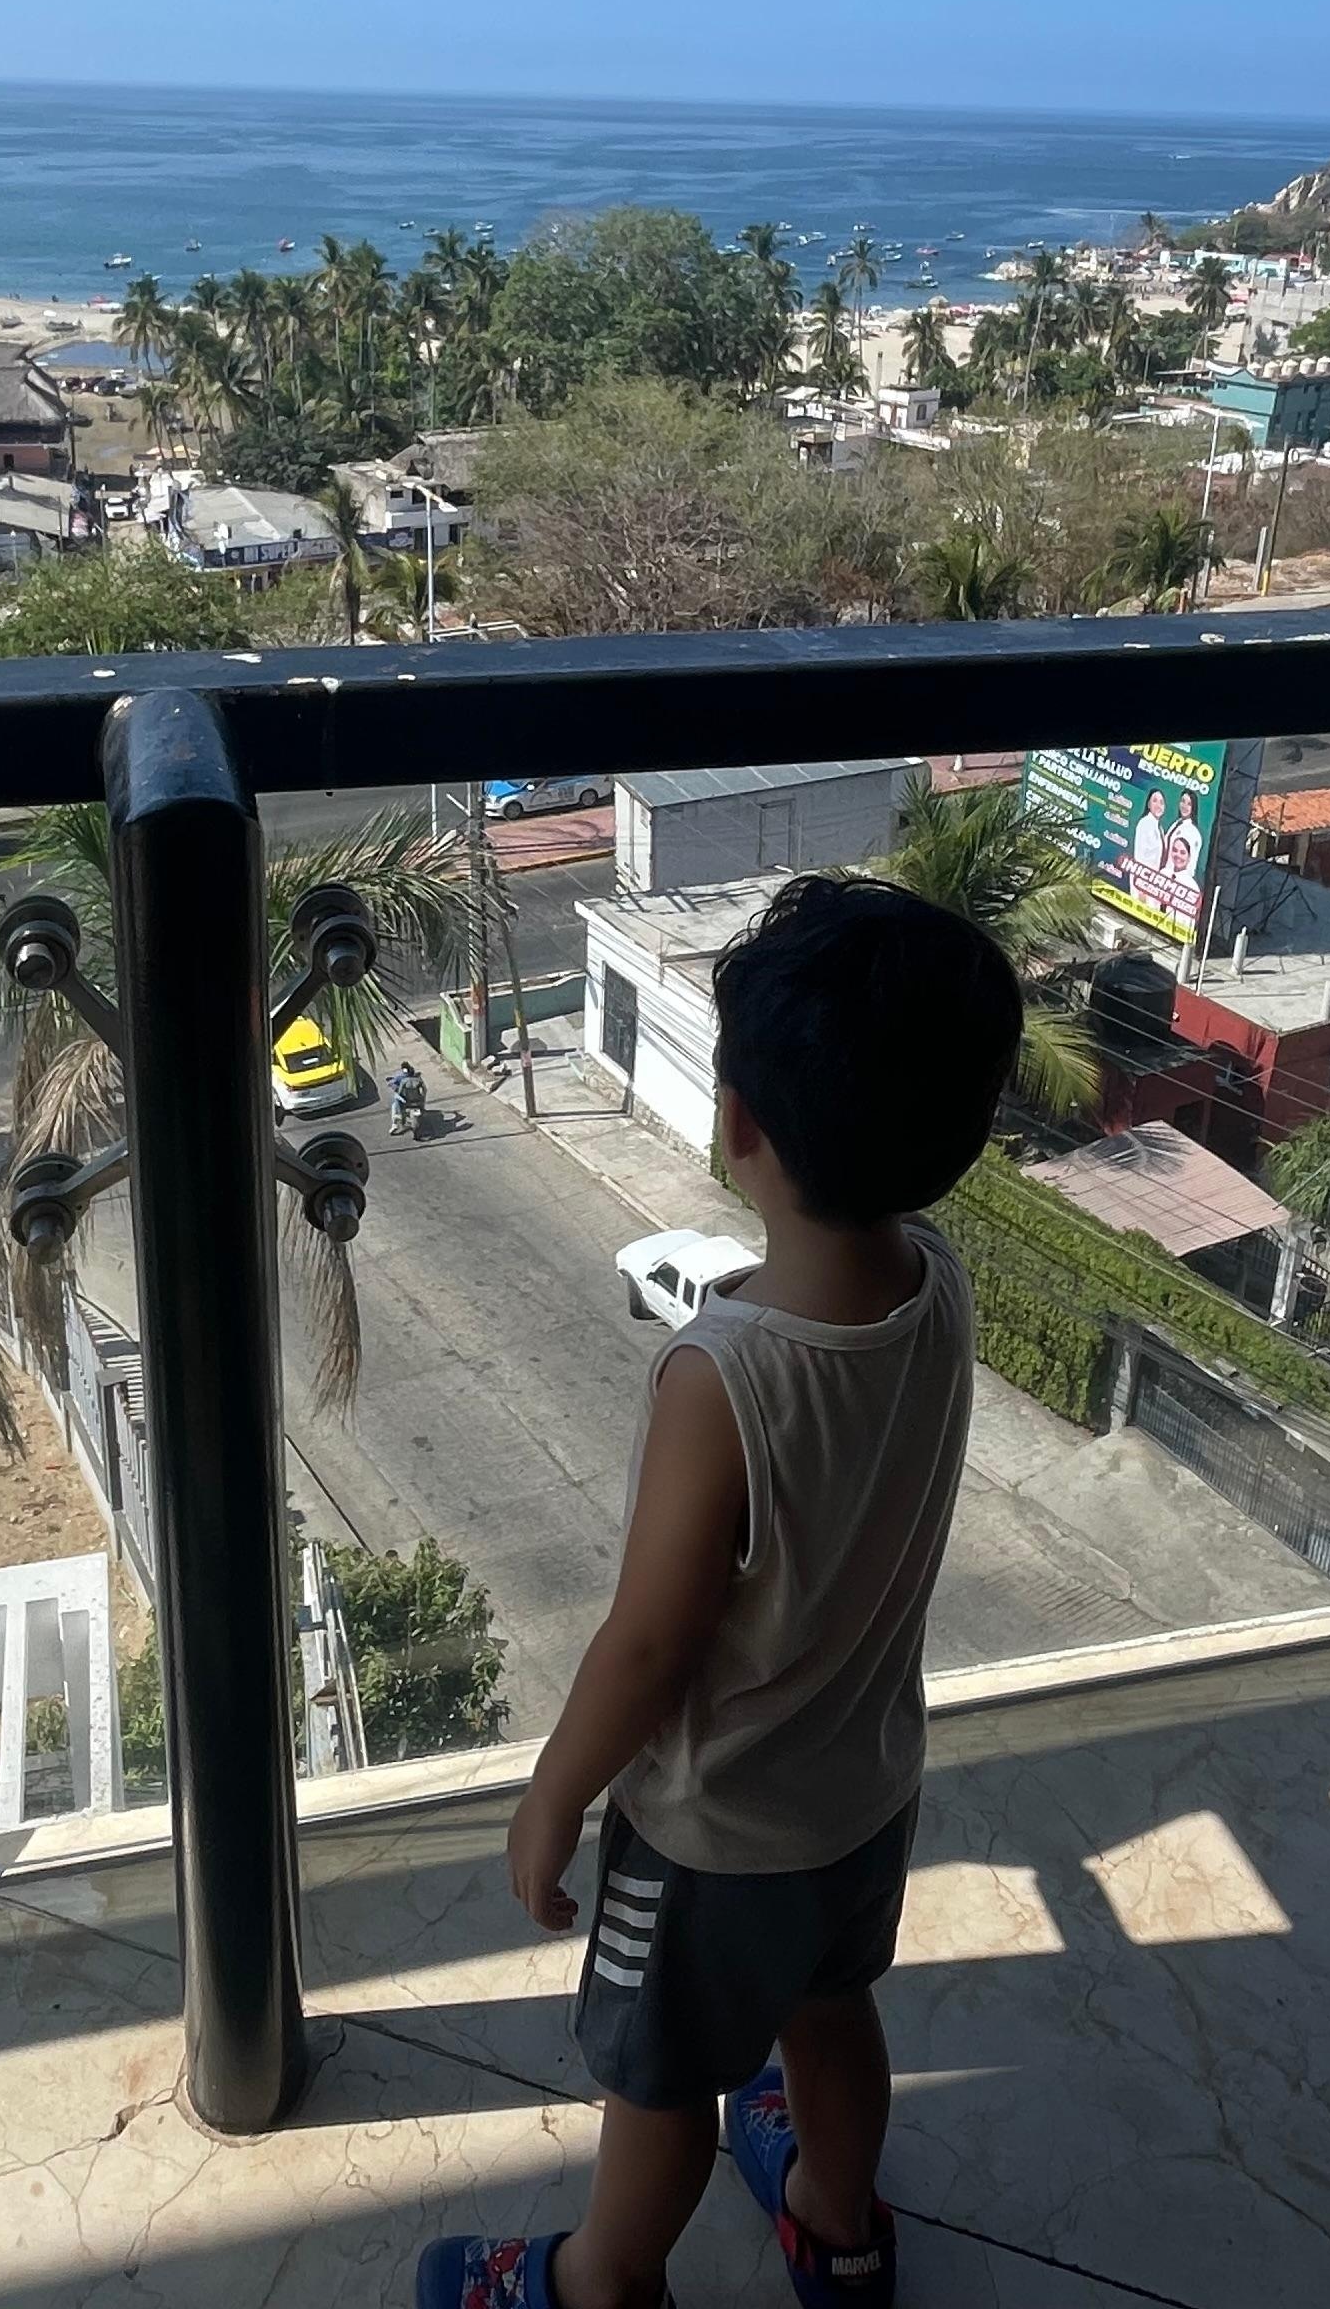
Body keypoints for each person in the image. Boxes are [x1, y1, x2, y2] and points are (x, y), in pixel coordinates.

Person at [418, 873, 1024, 2309]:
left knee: (661, 2082)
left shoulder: (721, 1377)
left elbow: (646, 1645)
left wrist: (555, 1793)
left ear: (736, 1121)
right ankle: (836, 2219)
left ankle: (596, 2282)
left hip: (710, 1839)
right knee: (831, 2014)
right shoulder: (936, 1283)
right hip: (865, 1797)